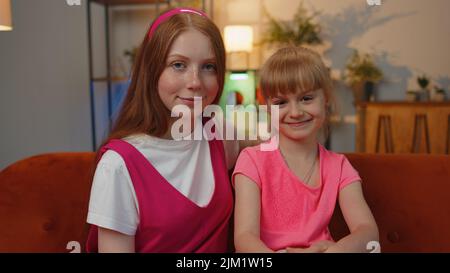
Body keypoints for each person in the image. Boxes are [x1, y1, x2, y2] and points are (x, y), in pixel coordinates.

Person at [85, 7, 240, 253]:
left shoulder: (218, 133)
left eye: (208, 66)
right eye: (178, 65)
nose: (195, 82)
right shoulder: (117, 165)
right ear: (151, 70)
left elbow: (276, 149)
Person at [233, 46, 379, 253]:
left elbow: (368, 232)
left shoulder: (339, 166)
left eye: (306, 98)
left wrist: (330, 251)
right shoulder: (252, 160)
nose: (295, 112)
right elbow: (244, 238)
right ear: (266, 107)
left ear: (325, 98)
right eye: (281, 102)